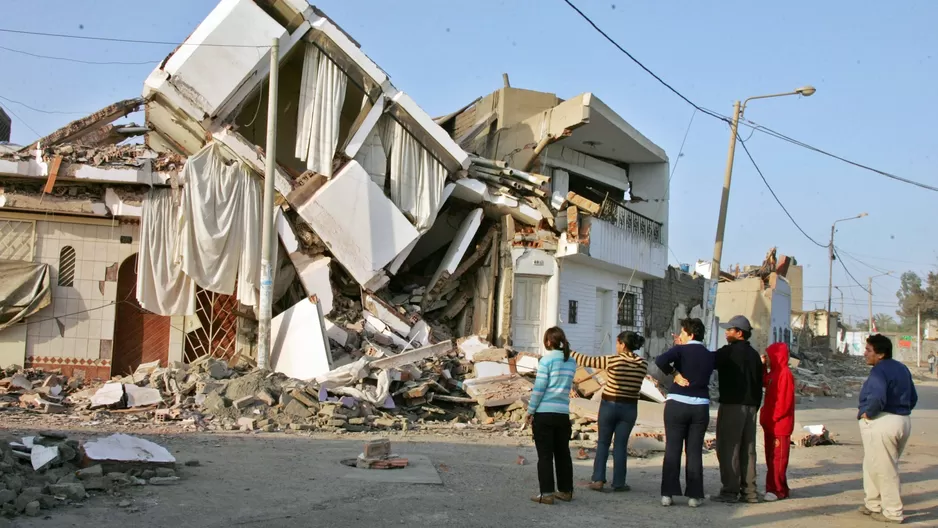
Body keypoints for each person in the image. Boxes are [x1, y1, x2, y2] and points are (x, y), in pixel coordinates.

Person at [571, 331, 648, 493]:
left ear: (623, 345)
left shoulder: (612, 360)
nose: (616, 346)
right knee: (620, 445)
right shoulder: (643, 363)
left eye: (618, 343)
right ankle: (619, 483)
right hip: (629, 409)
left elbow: (585, 360)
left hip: (609, 406)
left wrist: (567, 350)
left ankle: (598, 479)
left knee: (603, 443)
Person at [654, 317, 715, 508]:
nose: (679, 336)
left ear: (690, 333)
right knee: (694, 451)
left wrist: (675, 374)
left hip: (677, 404)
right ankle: (694, 496)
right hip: (700, 407)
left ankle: (667, 494)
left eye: (682, 332)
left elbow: (660, 361)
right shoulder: (709, 354)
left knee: (673, 449)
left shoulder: (679, 350)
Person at [857, 334, 917, 524]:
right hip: (902, 420)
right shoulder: (901, 368)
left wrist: (868, 413)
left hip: (883, 421)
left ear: (881, 354)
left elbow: (877, 397)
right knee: (872, 464)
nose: (865, 353)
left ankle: (892, 511)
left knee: (885, 469)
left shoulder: (879, 371)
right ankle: (872, 503)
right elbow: (913, 397)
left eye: (868, 350)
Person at [711, 315, 764, 504]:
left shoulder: (728, 352)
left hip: (732, 406)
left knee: (729, 448)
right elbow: (760, 382)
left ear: (739, 333)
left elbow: (708, 361)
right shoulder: (755, 355)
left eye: (730, 330)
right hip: (751, 408)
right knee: (748, 450)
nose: (726, 333)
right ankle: (750, 492)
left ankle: (730, 491)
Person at [526, 326, 578, 505]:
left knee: (545, 455)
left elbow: (539, 389)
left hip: (544, 414)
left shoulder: (546, 361)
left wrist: (530, 410)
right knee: (563, 454)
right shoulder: (571, 362)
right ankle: (566, 491)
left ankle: (546, 493)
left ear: (548, 342)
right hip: (562, 414)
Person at [761, 342, 795, 502]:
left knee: (778, 459)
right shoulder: (774, 373)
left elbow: (784, 402)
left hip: (779, 425)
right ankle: (780, 487)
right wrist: (762, 367)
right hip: (771, 423)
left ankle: (776, 489)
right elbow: (764, 380)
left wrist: (774, 418)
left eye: (768, 356)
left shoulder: (785, 374)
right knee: (771, 457)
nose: (766, 358)